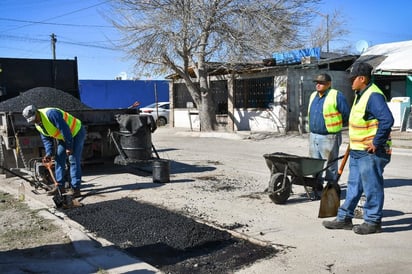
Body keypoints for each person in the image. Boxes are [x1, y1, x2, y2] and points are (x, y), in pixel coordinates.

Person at [322, 62, 394, 235]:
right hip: (357, 150)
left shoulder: (373, 96)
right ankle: (344, 218)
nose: (350, 82)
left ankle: (373, 221)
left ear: (362, 78)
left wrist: (377, 142)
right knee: (354, 186)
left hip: (370, 152)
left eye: (353, 79)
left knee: (372, 187)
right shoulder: (360, 94)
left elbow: (387, 120)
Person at [22, 105, 86, 198]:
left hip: (76, 132)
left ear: (37, 112)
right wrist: (49, 154)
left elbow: (65, 130)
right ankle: (60, 187)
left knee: (73, 160)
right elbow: (47, 140)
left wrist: (69, 147)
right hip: (64, 137)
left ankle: (76, 189)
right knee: (59, 159)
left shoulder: (51, 114)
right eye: (31, 120)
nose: (34, 121)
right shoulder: (38, 125)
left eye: (34, 118)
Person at [307, 73, 350, 189]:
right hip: (314, 135)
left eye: (321, 83)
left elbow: (346, 114)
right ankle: (317, 185)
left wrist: (339, 126)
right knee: (314, 162)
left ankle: (330, 186)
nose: (318, 85)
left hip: (330, 136)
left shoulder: (336, 95)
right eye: (317, 83)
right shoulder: (313, 96)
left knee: (331, 163)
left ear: (329, 84)